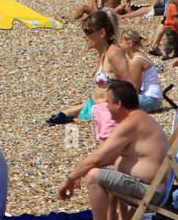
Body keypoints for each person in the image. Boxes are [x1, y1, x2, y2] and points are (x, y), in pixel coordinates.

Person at [57, 81, 170, 220]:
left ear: (119, 104)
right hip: (151, 186)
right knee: (102, 169)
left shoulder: (131, 123)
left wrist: (70, 179)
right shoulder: (139, 118)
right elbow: (104, 158)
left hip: (152, 192)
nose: (106, 106)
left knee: (94, 176)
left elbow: (96, 158)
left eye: (108, 102)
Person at [47, 10, 132, 140]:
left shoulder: (113, 53)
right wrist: (69, 111)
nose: (84, 36)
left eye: (88, 32)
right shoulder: (103, 53)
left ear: (102, 33)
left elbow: (130, 86)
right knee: (67, 138)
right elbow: (99, 93)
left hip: (109, 116)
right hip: (97, 112)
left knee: (74, 144)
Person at [118, 30, 164, 113]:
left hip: (150, 99)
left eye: (121, 41)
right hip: (155, 98)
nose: (119, 44)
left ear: (129, 44)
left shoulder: (136, 61)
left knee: (115, 104)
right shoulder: (139, 56)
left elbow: (134, 87)